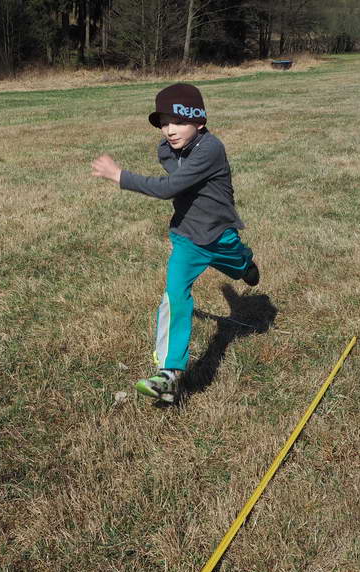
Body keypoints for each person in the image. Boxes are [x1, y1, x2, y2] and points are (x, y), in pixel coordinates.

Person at [91, 83, 258, 402]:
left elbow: (169, 188)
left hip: (220, 234)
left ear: (200, 122)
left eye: (179, 122)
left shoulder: (211, 149)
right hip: (187, 238)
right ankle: (168, 374)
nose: (170, 130)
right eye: (164, 123)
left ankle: (245, 264)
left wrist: (119, 175)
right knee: (174, 295)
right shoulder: (167, 149)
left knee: (240, 267)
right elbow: (178, 178)